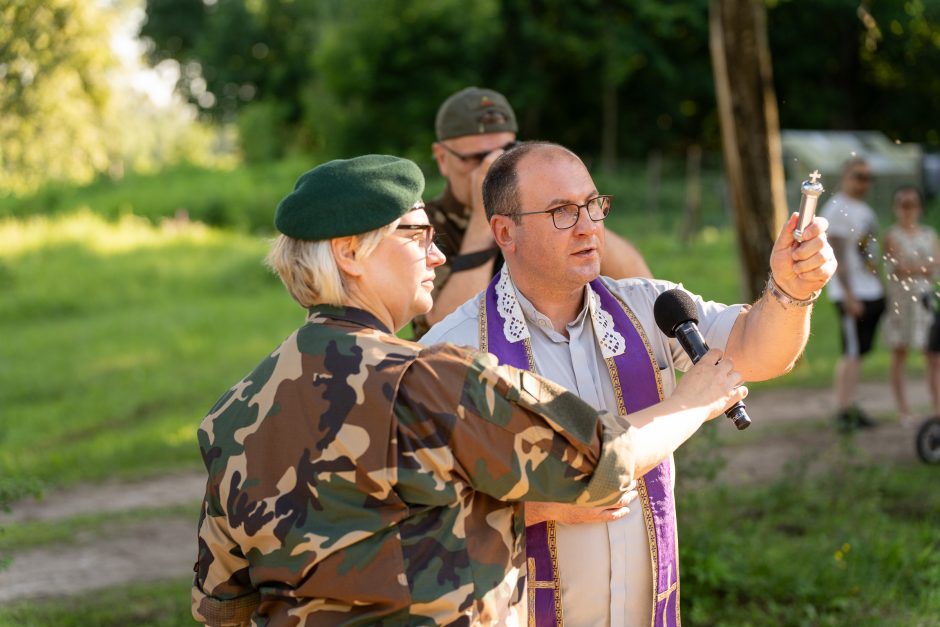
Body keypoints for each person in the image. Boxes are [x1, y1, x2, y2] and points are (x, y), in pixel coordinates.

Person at [190, 154, 749, 626]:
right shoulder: (430, 379)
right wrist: (695, 399)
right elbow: (603, 462)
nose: (436, 255)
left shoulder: (235, 410)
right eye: (418, 234)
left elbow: (222, 602)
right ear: (349, 252)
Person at [421, 141, 836, 627]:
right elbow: (427, 516)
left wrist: (791, 290)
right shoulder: (454, 350)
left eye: (593, 205)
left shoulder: (650, 309)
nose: (588, 227)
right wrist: (535, 506)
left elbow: (756, 350)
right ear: (504, 232)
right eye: (561, 211)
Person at [413, 86, 652, 336]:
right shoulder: (420, 224)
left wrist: (575, 208)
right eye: (476, 158)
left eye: (505, 152)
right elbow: (445, 329)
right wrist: (484, 220)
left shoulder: (536, 209)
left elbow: (640, 283)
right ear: (442, 158)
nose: (492, 165)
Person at [819, 157, 886, 431]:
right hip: (853, 292)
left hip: (870, 288)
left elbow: (870, 254)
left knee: (859, 352)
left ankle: (850, 404)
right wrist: (848, 294)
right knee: (852, 351)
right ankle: (844, 409)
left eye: (868, 177)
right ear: (846, 175)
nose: (863, 182)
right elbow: (836, 254)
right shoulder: (837, 208)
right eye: (858, 176)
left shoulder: (865, 210)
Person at [882, 185, 940, 422]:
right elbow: (901, 266)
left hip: (924, 300)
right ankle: (903, 409)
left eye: (912, 204)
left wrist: (915, 268)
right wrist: (921, 268)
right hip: (901, 301)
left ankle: (937, 409)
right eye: (903, 205)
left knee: (933, 354)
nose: (907, 210)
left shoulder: (929, 234)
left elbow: (934, 266)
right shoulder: (892, 235)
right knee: (900, 351)